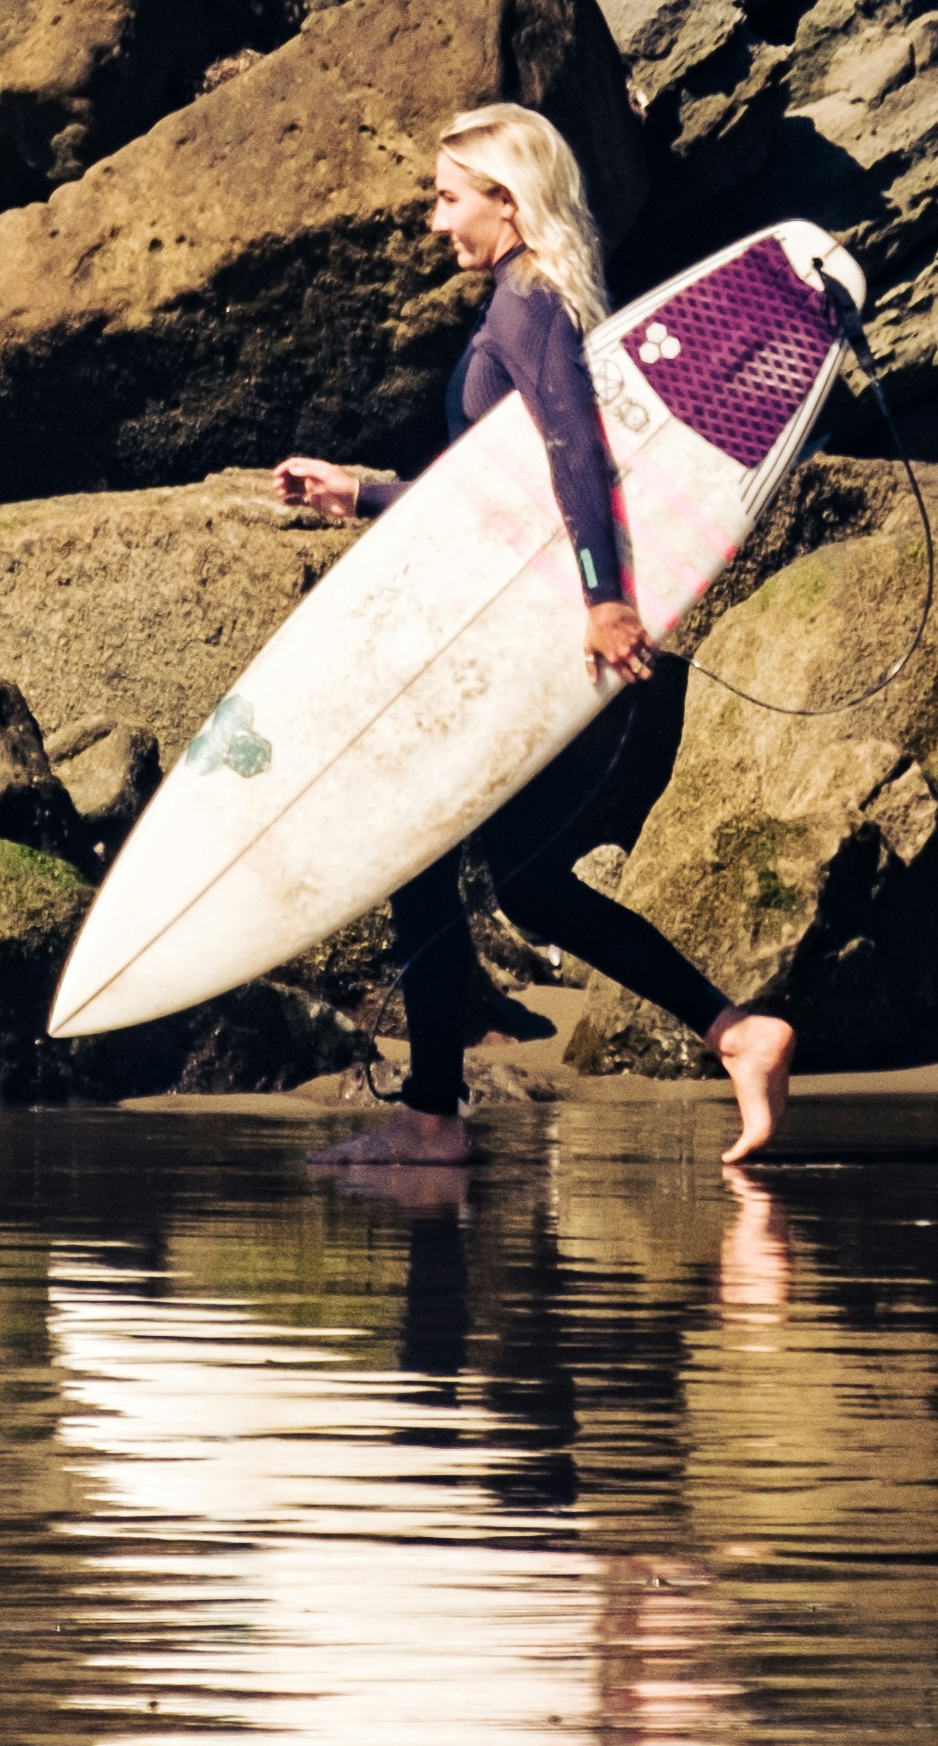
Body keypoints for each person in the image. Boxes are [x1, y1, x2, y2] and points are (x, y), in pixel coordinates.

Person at [276, 102, 796, 1171]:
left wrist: (607, 601)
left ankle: (431, 1123)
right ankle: (738, 1032)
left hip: (561, 641)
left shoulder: (529, 305)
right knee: (527, 883)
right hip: (550, 634)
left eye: (447, 196)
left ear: (506, 203)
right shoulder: (526, 304)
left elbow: (575, 458)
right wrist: (360, 491)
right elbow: (498, 496)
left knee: (428, 854)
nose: (434, 221)